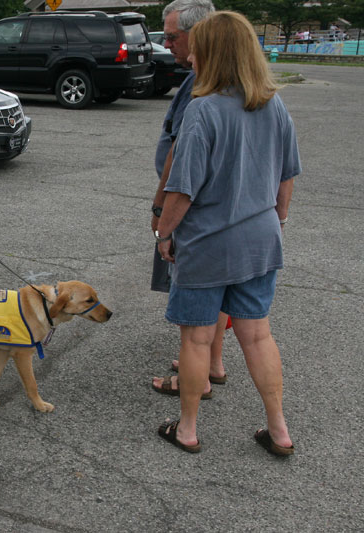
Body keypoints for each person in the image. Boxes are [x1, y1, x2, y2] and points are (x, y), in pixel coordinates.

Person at [154, 11, 300, 455]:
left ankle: (188, 429)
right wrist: (276, 219)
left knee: (197, 338)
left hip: (208, 245)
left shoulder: (203, 109)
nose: (190, 51)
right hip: (260, 242)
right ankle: (278, 430)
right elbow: (287, 176)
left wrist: (163, 232)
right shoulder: (273, 103)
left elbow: (182, 189)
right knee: (258, 335)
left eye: (198, 45)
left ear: (213, 52)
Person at [150, 0, 225, 400]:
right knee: (218, 297)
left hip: (192, 213)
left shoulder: (203, 86)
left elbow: (180, 157)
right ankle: (210, 363)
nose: (167, 44)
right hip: (220, 217)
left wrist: (162, 214)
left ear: (200, 34)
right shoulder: (206, 77)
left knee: (192, 305)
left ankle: (196, 380)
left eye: (173, 37)